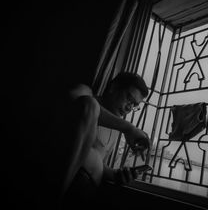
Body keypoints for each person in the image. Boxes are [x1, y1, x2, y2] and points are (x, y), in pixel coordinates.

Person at [58, 72, 150, 208]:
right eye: (129, 99)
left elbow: (98, 163)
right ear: (113, 87)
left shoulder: (116, 130)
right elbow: (75, 100)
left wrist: (116, 174)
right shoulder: (87, 93)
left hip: (86, 193)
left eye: (134, 105)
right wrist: (129, 128)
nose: (129, 108)